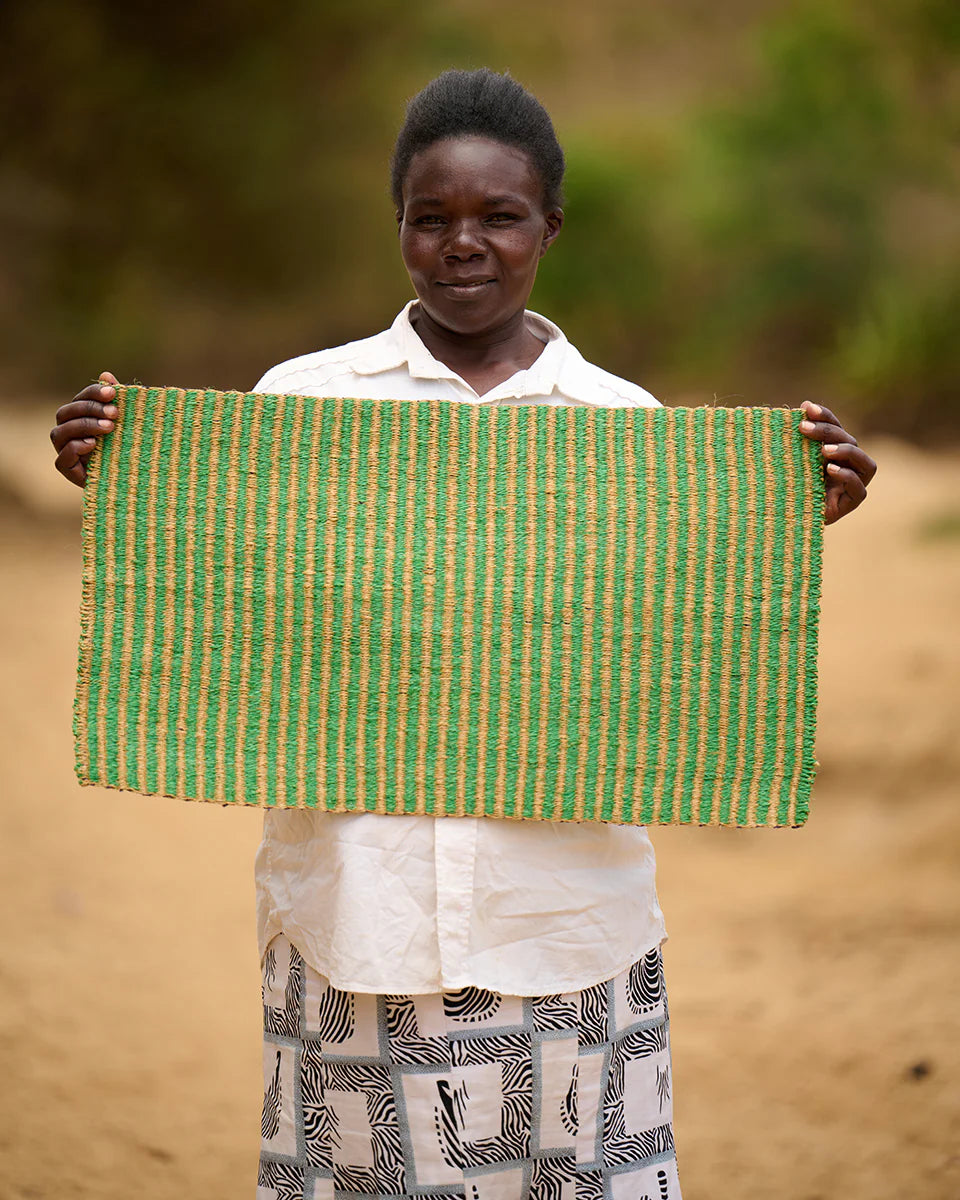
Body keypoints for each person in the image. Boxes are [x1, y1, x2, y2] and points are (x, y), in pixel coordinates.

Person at [51, 69, 876, 1200]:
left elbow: (678, 639)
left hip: (568, 926)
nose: (463, 244)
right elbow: (239, 611)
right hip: (356, 919)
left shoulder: (624, 428)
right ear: (397, 224)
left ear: (550, 225)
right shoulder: (302, 405)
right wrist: (132, 476)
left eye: (498, 216)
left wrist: (789, 508)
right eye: (431, 218)